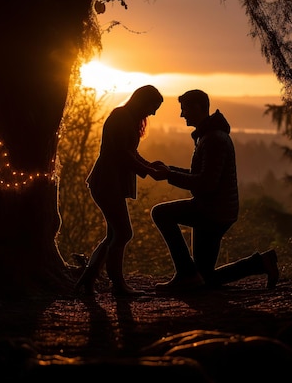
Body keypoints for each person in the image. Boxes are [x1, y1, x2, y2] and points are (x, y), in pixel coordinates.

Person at [150, 89, 279, 291]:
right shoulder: (209, 137)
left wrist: (169, 175)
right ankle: (260, 263)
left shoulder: (213, 139)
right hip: (217, 209)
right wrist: (169, 170)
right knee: (204, 278)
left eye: (184, 109)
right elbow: (202, 176)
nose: (182, 115)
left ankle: (185, 273)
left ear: (197, 108)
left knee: (160, 213)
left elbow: (206, 184)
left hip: (212, 211)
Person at [75, 85, 165, 296]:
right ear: (143, 101)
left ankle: (88, 280)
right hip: (107, 182)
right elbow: (123, 155)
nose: (153, 113)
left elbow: (130, 153)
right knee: (123, 232)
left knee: (114, 234)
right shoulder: (121, 118)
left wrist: (151, 166)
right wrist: (149, 171)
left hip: (109, 182)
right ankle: (117, 285)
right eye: (153, 107)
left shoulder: (126, 118)